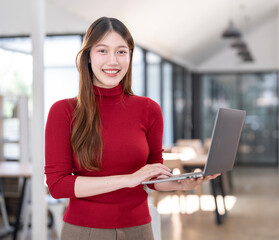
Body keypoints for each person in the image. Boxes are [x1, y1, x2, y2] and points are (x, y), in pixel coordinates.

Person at [44, 16, 220, 240]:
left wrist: (179, 184)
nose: (113, 61)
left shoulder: (149, 109)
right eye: (102, 51)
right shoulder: (64, 111)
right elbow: (58, 185)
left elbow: (153, 177)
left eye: (121, 51)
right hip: (85, 231)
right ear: (88, 56)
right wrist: (127, 179)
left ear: (129, 56)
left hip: (139, 229)